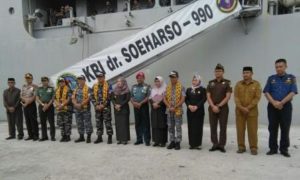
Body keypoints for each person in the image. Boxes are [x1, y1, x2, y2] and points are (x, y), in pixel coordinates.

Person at [263, 58, 298, 157]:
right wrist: (274, 102)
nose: (278, 69)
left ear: (286, 66)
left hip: (285, 106)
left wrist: (281, 103)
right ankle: (273, 148)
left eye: (280, 66)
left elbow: (293, 92)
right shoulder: (271, 78)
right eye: (276, 67)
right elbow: (266, 92)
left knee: (285, 127)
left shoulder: (291, 78)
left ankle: (284, 149)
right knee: (272, 128)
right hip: (272, 106)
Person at [234, 67, 261, 155]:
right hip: (240, 111)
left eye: (247, 72)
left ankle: (253, 147)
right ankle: (241, 147)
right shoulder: (238, 84)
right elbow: (236, 97)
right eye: (244, 73)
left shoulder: (256, 84)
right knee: (240, 130)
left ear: (252, 73)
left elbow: (257, 98)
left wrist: (248, 108)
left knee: (252, 130)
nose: (245, 74)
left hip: (252, 112)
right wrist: (241, 108)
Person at [207, 64, 232, 153]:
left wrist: (219, 106)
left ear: (223, 72)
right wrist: (213, 106)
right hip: (212, 108)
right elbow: (208, 96)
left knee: (223, 127)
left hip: (223, 108)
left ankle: (221, 145)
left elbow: (228, 96)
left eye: (219, 71)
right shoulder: (211, 83)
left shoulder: (227, 83)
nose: (217, 73)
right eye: (216, 71)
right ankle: (215, 144)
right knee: (213, 126)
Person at [164, 71, 186, 150]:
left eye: (173, 77)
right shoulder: (167, 87)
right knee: (170, 127)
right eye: (171, 77)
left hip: (178, 110)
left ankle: (178, 142)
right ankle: (172, 141)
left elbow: (183, 99)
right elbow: (164, 98)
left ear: (177, 77)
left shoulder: (181, 87)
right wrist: (169, 106)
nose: (172, 78)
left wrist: (175, 106)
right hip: (169, 110)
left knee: (178, 127)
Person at [185, 74, 207, 150]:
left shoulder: (203, 89)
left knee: (198, 127)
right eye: (193, 80)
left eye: (196, 80)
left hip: (199, 112)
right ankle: (191, 144)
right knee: (190, 127)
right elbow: (186, 99)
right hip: (190, 111)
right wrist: (189, 106)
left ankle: (198, 144)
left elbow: (204, 99)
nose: (194, 82)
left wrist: (197, 106)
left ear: (199, 81)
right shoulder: (188, 89)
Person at [91, 72, 114, 144]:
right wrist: (96, 105)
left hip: (106, 108)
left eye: (101, 77)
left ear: (104, 77)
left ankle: (109, 137)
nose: (99, 78)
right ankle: (99, 137)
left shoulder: (109, 85)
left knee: (107, 122)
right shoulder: (94, 86)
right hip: (97, 108)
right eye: (98, 77)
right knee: (98, 123)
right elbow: (92, 96)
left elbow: (110, 96)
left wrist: (103, 105)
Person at [131, 72, 151, 146]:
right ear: (136, 79)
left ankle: (147, 140)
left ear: (144, 78)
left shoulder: (147, 86)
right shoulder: (133, 87)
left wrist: (141, 103)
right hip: (136, 107)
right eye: (138, 77)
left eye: (141, 77)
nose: (139, 79)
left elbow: (148, 96)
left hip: (144, 106)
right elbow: (131, 96)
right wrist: (133, 103)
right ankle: (139, 139)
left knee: (146, 123)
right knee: (138, 123)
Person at [72, 75, 93, 143]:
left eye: (81, 79)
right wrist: (75, 104)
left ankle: (88, 137)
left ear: (84, 80)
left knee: (87, 123)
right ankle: (81, 137)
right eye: (79, 80)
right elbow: (73, 98)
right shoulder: (75, 89)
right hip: (77, 109)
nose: (80, 81)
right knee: (79, 123)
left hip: (85, 109)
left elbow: (89, 98)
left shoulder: (88, 89)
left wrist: (81, 104)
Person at [112, 77, 131, 145]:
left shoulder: (126, 89)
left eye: (120, 81)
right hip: (117, 109)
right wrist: (115, 105)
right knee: (118, 124)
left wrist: (120, 105)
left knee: (124, 124)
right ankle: (119, 139)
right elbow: (112, 98)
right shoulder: (115, 90)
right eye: (117, 81)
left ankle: (125, 139)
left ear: (123, 82)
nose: (118, 83)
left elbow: (127, 99)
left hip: (124, 109)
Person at [149, 76, 168, 147]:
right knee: (155, 124)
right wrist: (153, 104)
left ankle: (163, 141)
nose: (157, 83)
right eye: (156, 81)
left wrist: (158, 104)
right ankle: (156, 141)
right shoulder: (153, 90)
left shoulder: (165, 89)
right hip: (154, 109)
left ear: (161, 82)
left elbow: (165, 99)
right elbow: (150, 99)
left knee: (162, 125)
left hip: (162, 109)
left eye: (158, 81)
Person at [36, 77, 56, 141]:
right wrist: (43, 104)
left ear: (48, 81)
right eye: (43, 81)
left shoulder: (51, 89)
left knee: (51, 122)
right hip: (41, 106)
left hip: (50, 106)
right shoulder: (39, 89)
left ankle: (52, 136)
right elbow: (37, 98)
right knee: (43, 122)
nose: (44, 82)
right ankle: (44, 136)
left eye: (46, 81)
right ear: (41, 82)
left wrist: (47, 105)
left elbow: (53, 98)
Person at [21, 73, 39, 141]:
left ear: (32, 79)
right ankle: (30, 135)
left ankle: (36, 135)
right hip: (25, 105)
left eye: (29, 78)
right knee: (27, 120)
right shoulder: (23, 86)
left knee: (33, 120)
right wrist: (24, 101)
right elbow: (21, 95)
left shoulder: (35, 86)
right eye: (27, 78)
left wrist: (27, 102)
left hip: (31, 105)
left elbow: (34, 96)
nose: (28, 79)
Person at [55, 77, 72, 142]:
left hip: (67, 109)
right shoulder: (56, 90)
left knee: (67, 123)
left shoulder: (68, 89)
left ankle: (68, 136)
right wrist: (58, 104)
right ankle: (63, 136)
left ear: (65, 82)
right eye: (60, 82)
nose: (61, 83)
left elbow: (69, 99)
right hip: (59, 109)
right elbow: (54, 98)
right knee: (61, 123)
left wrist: (62, 105)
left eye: (62, 82)